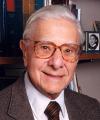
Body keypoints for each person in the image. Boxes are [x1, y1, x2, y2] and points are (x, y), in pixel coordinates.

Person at [0, 5, 100, 120]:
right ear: (25, 51)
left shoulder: (93, 109)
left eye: (68, 50)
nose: (56, 63)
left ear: (77, 57)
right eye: (45, 47)